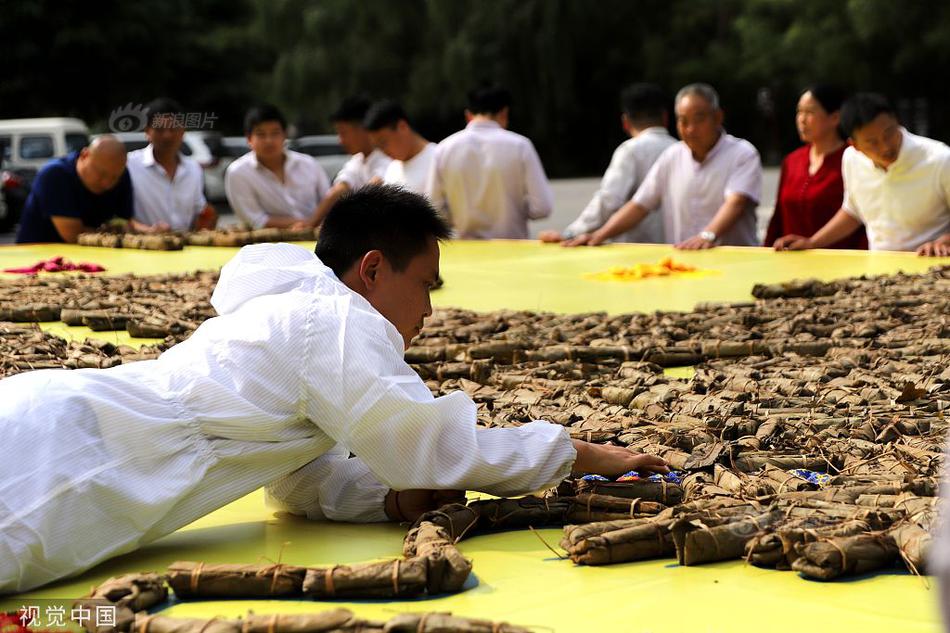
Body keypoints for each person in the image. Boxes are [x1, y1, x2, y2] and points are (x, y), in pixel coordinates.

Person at [0, 184, 667, 593]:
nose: (429, 311)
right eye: (426, 285)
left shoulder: (301, 318)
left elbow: (294, 476)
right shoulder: (338, 321)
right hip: (69, 462)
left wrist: (388, 498)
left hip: (64, 423)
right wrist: (582, 452)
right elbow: (428, 445)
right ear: (373, 269)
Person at [564, 83, 761, 249]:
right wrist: (599, 235)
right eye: (683, 121)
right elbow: (640, 205)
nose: (690, 129)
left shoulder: (742, 153)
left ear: (717, 117)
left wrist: (708, 235)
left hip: (733, 261)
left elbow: (736, 202)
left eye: (699, 119)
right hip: (685, 262)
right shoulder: (673, 155)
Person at [774, 92, 950, 256]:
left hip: (934, 270)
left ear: (897, 122)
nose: (885, 147)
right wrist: (813, 242)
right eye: (872, 142)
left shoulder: (940, 159)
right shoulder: (851, 159)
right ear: (854, 145)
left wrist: (945, 241)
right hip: (879, 271)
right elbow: (853, 211)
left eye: (889, 134)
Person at [539, 83, 674, 245]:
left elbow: (609, 200)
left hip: (634, 248)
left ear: (625, 121)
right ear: (665, 117)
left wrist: (572, 232)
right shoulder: (681, 150)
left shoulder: (630, 150)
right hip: (674, 247)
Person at [426, 83, 553, 239]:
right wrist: (513, 208)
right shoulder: (520, 145)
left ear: (468, 115)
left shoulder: (443, 149)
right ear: (504, 113)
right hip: (514, 247)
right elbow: (542, 207)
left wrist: (460, 215)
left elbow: (433, 209)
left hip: (467, 249)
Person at [765, 86, 866, 250]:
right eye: (799, 112)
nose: (802, 119)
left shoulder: (855, 158)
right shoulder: (792, 161)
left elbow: (861, 216)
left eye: (810, 112)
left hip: (842, 265)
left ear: (834, 117)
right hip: (791, 263)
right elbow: (778, 218)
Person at [15, 136, 164, 243]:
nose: (107, 183)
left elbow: (126, 221)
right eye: (101, 173)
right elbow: (73, 234)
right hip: (38, 255)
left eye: (114, 177)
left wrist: (150, 231)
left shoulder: (122, 175)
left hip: (92, 256)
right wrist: (120, 232)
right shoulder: (55, 174)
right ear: (85, 155)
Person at [224, 104, 330, 228]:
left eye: (275, 133)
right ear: (249, 139)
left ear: (284, 135)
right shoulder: (238, 172)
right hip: (267, 244)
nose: (269, 140)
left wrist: (312, 224)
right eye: (261, 134)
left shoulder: (309, 164)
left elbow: (328, 202)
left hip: (318, 238)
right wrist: (305, 224)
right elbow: (255, 220)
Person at [127, 98, 217, 231]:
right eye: (160, 129)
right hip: (141, 248)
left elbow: (201, 215)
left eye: (173, 128)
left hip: (186, 248)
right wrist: (148, 231)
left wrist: (208, 219)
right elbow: (119, 217)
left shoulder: (194, 169)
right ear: (147, 132)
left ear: (183, 131)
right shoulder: (130, 165)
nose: (167, 135)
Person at [302, 95, 392, 228]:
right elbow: (339, 190)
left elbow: (373, 187)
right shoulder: (357, 160)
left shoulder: (389, 158)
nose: (340, 140)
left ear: (363, 129)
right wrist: (311, 223)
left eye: (343, 133)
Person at [363, 100, 436, 195]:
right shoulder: (392, 170)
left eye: (383, 142)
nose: (383, 151)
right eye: (378, 147)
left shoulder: (438, 159)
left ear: (402, 127)